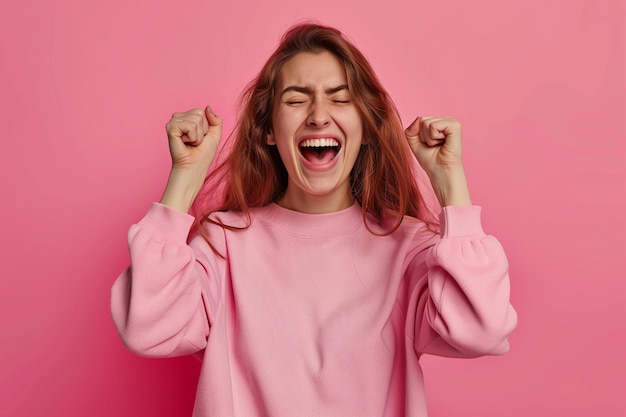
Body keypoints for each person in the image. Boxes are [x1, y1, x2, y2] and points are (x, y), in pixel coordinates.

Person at [111, 22, 517, 417]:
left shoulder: (407, 248)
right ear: (270, 129)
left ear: (367, 128)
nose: (319, 115)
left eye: (340, 99)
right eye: (296, 99)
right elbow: (148, 329)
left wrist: (451, 186)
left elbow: (481, 330)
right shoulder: (225, 245)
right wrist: (185, 178)